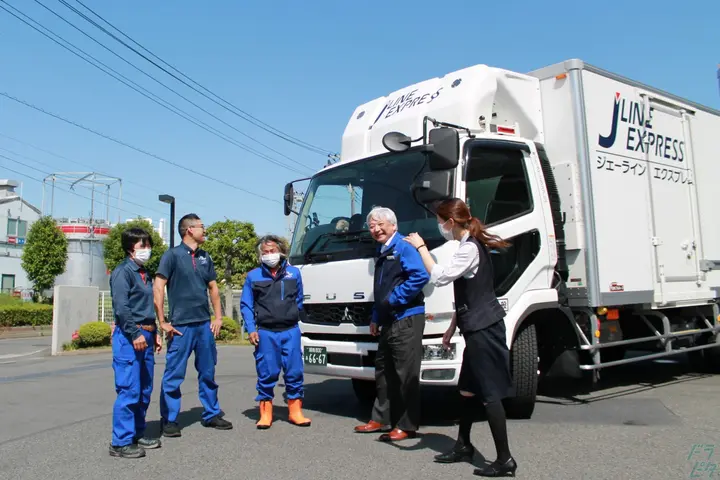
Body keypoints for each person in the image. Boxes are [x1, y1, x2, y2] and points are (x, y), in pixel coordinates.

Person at [404, 198, 517, 477]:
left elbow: (440, 276)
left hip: (485, 329)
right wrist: (453, 325)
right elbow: (469, 292)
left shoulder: (469, 248)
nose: (440, 226)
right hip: (473, 325)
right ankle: (464, 445)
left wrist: (421, 248)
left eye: (441, 221)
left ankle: (505, 460)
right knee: (467, 389)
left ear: (451, 222)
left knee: (490, 395)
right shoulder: (469, 245)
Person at [354, 206, 430, 442]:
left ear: (393, 225)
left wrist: (395, 298)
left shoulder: (403, 247)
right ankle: (380, 418)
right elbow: (380, 288)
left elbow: (421, 276)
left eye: (380, 224)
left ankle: (406, 425)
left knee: (405, 374)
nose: (376, 229)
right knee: (384, 371)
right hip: (388, 320)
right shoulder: (382, 250)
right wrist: (376, 315)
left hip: (407, 317)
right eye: (372, 226)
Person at [154, 213, 233, 437]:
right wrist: (163, 322)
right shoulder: (171, 256)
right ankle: (169, 419)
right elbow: (158, 288)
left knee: (208, 371)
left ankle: (211, 414)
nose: (204, 230)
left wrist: (217, 318)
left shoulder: (205, 257)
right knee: (174, 374)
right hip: (181, 326)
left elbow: (213, 288)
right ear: (189, 229)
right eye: (201, 226)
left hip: (203, 326)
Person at [240, 235, 312, 429]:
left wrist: (292, 314)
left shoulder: (294, 273)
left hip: (291, 330)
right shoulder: (253, 276)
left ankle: (295, 411)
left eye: (272, 251)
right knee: (267, 371)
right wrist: (250, 328)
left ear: (281, 251)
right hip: (265, 333)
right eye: (265, 252)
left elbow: (298, 300)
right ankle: (265, 413)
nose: (269, 255)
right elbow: (246, 305)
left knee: (294, 371)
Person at [109, 227, 163, 458]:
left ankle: (137, 432)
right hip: (131, 337)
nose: (147, 250)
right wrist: (135, 333)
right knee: (129, 389)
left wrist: (155, 332)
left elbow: (145, 306)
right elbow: (122, 308)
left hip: (146, 334)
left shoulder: (144, 272)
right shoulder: (123, 272)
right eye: (143, 246)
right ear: (131, 248)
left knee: (144, 388)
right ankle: (119, 442)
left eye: (148, 245)